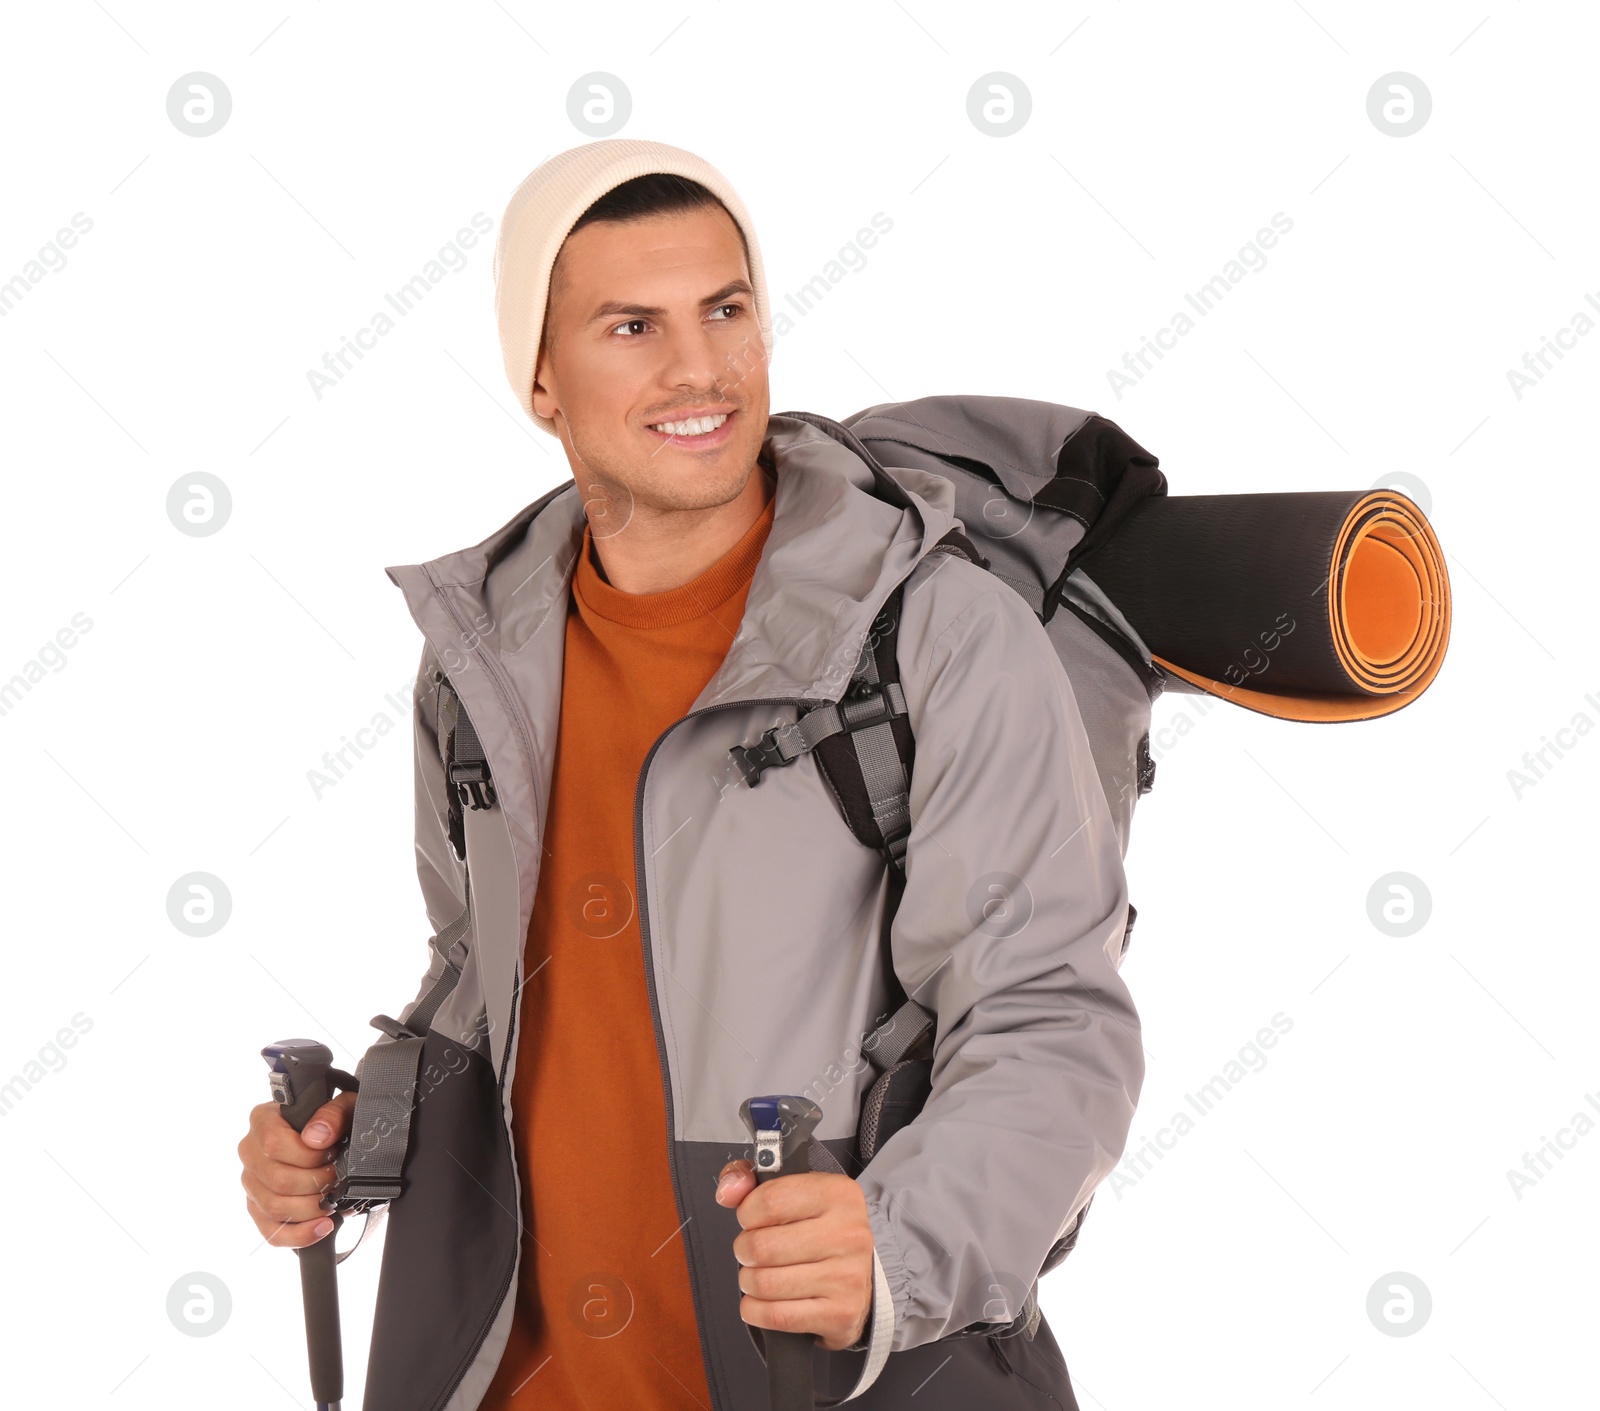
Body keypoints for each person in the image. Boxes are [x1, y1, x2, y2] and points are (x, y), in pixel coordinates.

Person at [237, 138, 1143, 1410]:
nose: (700, 367)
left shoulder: (935, 637)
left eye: (725, 309)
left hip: (816, 1372)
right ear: (541, 380)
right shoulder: (481, 653)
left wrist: (901, 1244)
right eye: (631, 326)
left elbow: (1049, 1018)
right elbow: (480, 979)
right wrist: (351, 1138)